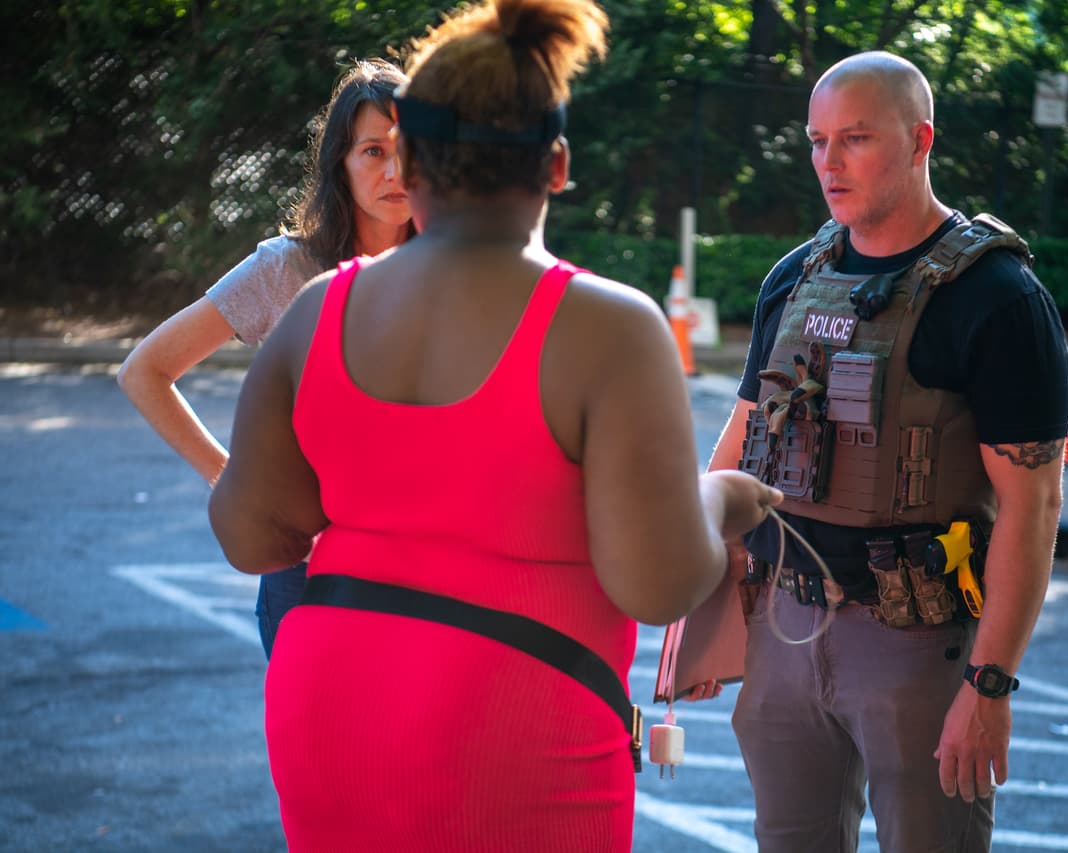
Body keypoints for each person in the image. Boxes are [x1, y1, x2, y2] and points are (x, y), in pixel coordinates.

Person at [207, 0, 781, 849]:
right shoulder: (609, 326)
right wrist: (722, 498)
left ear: (405, 154)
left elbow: (250, 536)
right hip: (515, 726)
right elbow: (658, 583)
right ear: (555, 165)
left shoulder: (317, 311)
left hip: (330, 714)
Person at [694, 51, 1068, 851]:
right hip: (783, 623)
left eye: (855, 139)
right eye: (817, 140)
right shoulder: (794, 277)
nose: (829, 163)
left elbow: (1034, 508)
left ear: (920, 139)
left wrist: (990, 683)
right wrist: (700, 617)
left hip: (915, 643)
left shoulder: (996, 298)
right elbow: (738, 449)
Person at [117, 59, 414, 657]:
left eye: (410, 149)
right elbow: (145, 370)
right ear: (341, 164)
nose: (396, 170)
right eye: (373, 152)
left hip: (423, 569)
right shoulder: (287, 269)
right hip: (308, 572)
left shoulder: (456, 271)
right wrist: (237, 483)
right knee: (322, 750)